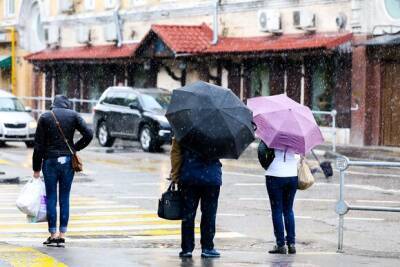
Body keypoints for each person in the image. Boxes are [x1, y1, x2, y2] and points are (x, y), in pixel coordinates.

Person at [32, 95, 93, 247]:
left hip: (50, 161)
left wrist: (36, 168)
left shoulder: (45, 117)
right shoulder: (74, 116)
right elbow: (89, 134)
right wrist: (74, 148)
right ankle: (62, 234)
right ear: (67, 104)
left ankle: (53, 235)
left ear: (53, 104)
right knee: (64, 198)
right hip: (67, 162)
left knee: (51, 198)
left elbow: (38, 145)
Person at [170, 137, 222, 258]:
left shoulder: (184, 128)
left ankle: (187, 249)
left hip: (189, 177)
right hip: (211, 179)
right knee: (209, 214)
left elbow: (176, 154)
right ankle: (208, 247)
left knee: (188, 214)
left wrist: (175, 175)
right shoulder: (219, 129)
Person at [258, 140, 299, 254]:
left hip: (274, 174)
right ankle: (291, 243)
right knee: (288, 210)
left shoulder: (272, 133)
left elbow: (261, 151)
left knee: (277, 210)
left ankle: (280, 244)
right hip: (292, 175)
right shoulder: (296, 134)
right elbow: (300, 154)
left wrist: (266, 165)